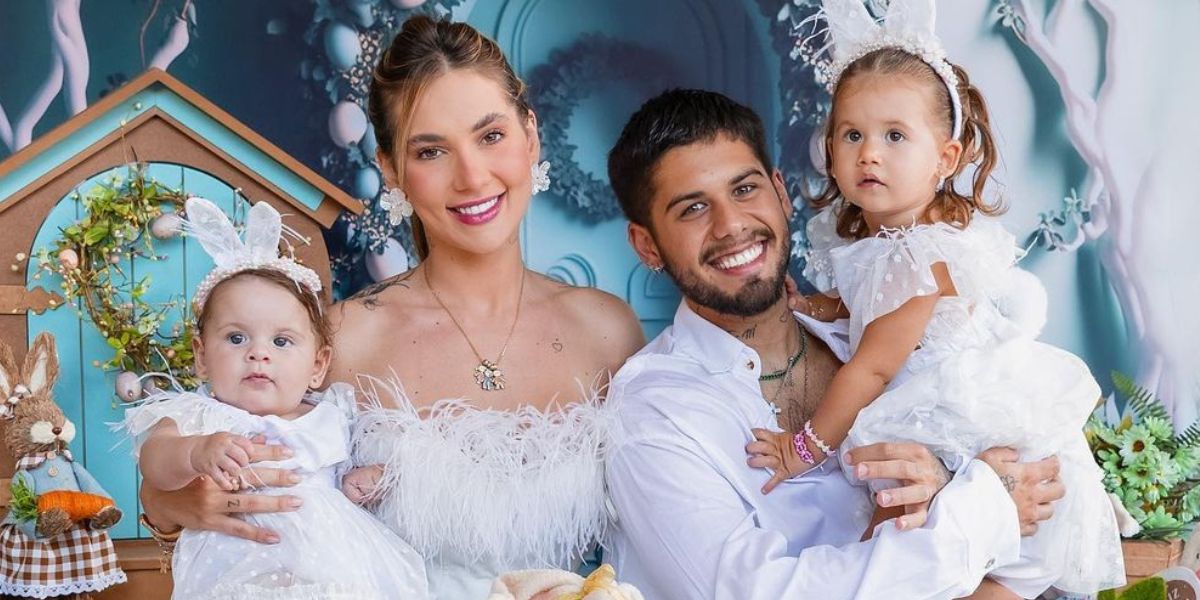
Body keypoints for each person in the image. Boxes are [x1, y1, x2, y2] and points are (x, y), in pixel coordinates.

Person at [138, 15, 645, 600]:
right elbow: (214, 452)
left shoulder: (609, 331)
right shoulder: (344, 339)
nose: (473, 176)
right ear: (390, 169)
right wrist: (169, 501)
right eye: (432, 151)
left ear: (530, 137)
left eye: (492, 136)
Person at [603, 85, 1069, 599]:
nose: (732, 225)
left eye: (745, 189)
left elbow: (1041, 498)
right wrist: (981, 512)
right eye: (692, 209)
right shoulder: (653, 413)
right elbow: (753, 593)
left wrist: (944, 488)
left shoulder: (881, 336)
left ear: (780, 193)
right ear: (647, 244)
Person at [744, 1, 1124, 596]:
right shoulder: (891, 239)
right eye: (852, 134)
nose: (869, 152)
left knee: (913, 535)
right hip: (947, 413)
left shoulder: (916, 255)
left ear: (945, 158)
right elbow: (867, 309)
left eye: (895, 136)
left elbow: (872, 364)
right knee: (928, 554)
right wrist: (819, 306)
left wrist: (804, 448)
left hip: (961, 417)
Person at [122, 198, 428, 599]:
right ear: (200, 356)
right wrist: (195, 453)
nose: (258, 353)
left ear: (318, 366)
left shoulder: (332, 414)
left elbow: (345, 478)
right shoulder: (200, 415)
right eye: (236, 338)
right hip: (237, 573)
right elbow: (155, 462)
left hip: (332, 569)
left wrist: (362, 480)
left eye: (281, 341)